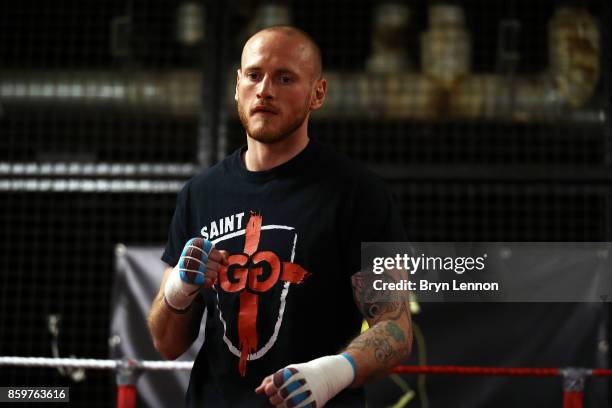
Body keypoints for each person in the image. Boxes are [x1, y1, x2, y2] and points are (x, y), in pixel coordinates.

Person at [147, 25, 412, 407]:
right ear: (237, 85)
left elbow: (396, 326)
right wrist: (177, 293)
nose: (265, 90)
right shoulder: (200, 194)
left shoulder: (358, 193)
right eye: (254, 75)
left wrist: (332, 373)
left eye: (285, 78)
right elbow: (166, 343)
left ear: (317, 93)